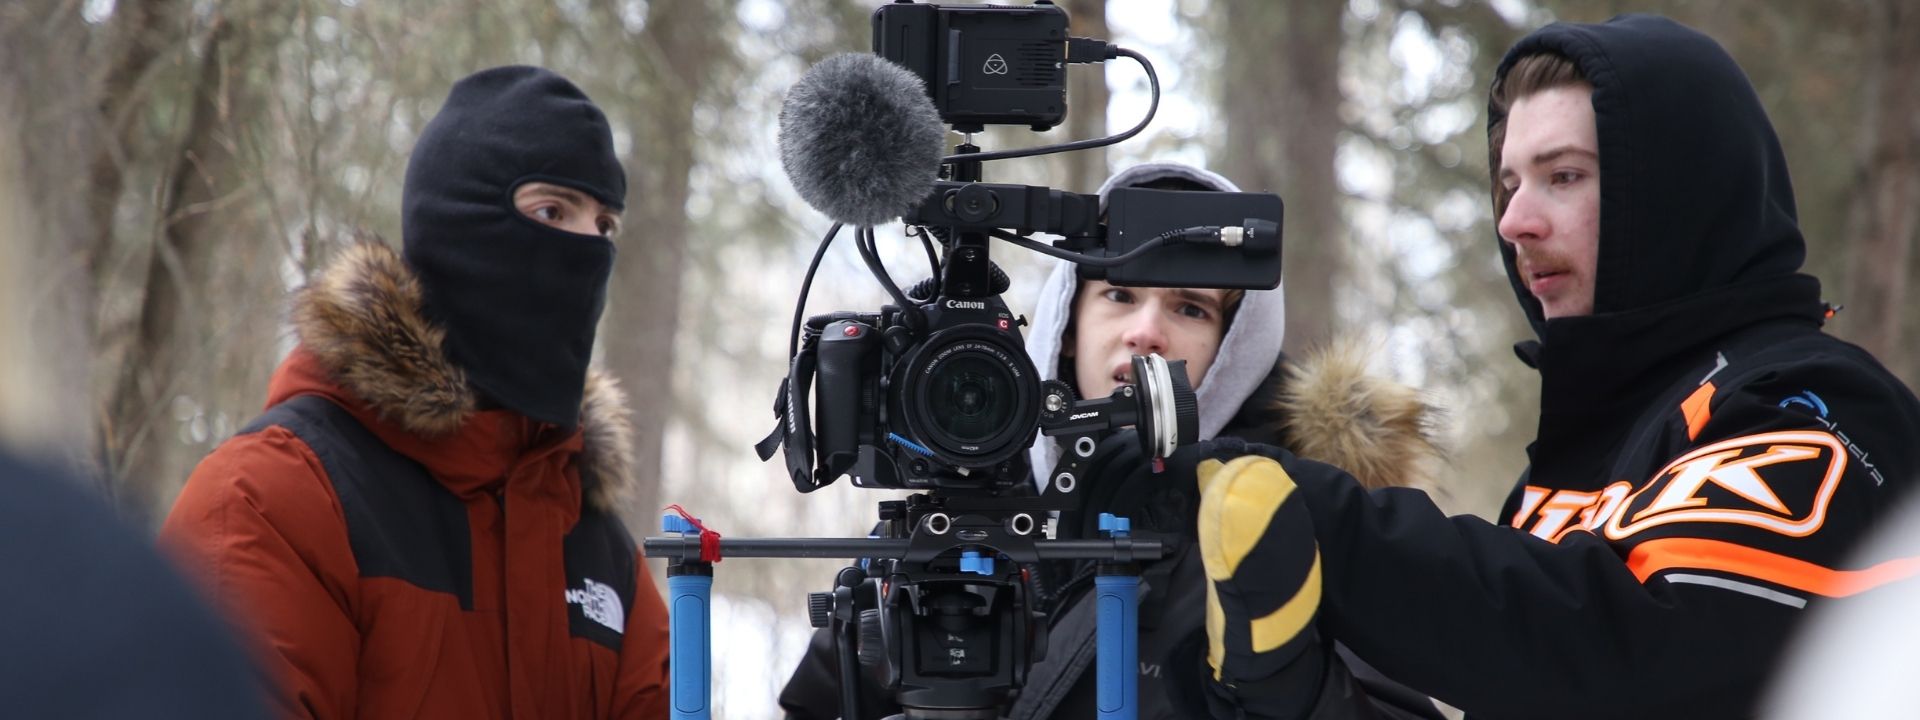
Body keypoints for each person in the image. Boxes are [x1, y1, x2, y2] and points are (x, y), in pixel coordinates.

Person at [1182, 14, 1920, 720]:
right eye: (1508, 186)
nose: (1513, 222)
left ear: (1678, 192)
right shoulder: (1585, 448)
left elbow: (1624, 648)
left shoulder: (1816, 405)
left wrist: (1302, 511)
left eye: (1563, 176)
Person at [778, 162, 1446, 719]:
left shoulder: (1298, 519)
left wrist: (1290, 685)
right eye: (1119, 294)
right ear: (1068, 324)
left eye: (1190, 307)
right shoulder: (949, 504)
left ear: (1233, 351)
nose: (1146, 331)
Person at [160, 66, 671, 719]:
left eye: (604, 226)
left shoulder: (593, 540)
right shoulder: (273, 498)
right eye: (552, 211)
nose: (588, 250)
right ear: (459, 224)